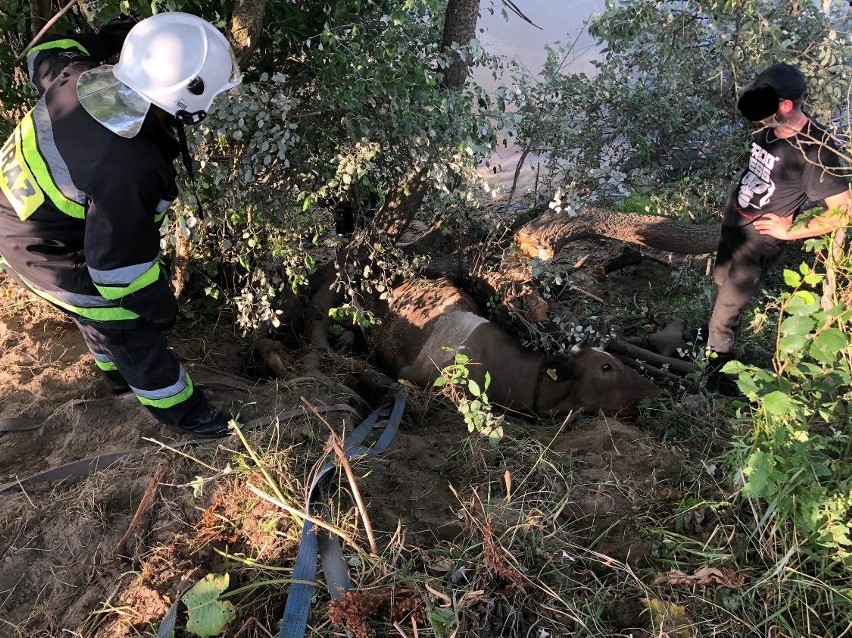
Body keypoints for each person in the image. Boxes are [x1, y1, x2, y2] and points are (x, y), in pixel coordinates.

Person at [0, 12, 243, 437]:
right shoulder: (129, 165)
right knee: (125, 324)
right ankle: (189, 418)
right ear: (188, 97)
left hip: (18, 215)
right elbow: (117, 273)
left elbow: (44, 52)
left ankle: (115, 380)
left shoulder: (73, 75)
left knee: (96, 312)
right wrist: (160, 308)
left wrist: (105, 40)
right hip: (41, 249)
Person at [703, 63, 850, 394]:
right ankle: (713, 339)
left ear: (785, 105)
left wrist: (788, 231)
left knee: (725, 312)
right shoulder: (769, 127)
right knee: (721, 282)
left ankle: (717, 377)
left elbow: (844, 213)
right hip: (735, 223)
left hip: (759, 240)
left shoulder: (816, 150)